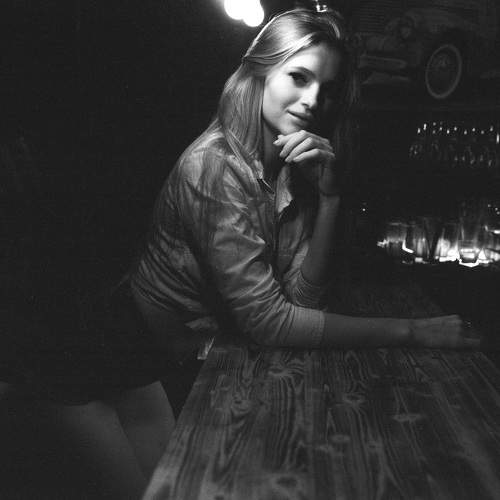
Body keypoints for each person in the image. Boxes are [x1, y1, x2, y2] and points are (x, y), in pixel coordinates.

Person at [129, 7, 479, 404]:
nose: (313, 101)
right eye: (299, 77)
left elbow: (303, 301)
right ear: (260, 72)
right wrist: (411, 330)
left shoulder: (295, 166)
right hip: (151, 366)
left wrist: (330, 198)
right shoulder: (213, 166)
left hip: (217, 355)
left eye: (327, 90)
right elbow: (269, 323)